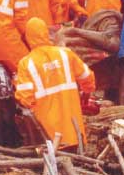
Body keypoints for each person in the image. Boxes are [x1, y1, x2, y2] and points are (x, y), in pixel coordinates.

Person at [15, 17, 96, 148]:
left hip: (49, 135)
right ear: (46, 33)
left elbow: (25, 99)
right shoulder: (65, 54)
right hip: (74, 133)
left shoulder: (26, 63)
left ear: (27, 37)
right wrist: (87, 92)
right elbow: (87, 76)